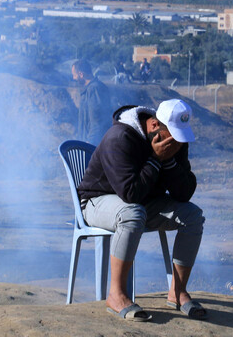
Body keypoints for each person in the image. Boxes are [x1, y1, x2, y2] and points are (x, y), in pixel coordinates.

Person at [77, 99, 206, 322]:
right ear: (155, 125)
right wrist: (156, 160)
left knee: (193, 216)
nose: (177, 143)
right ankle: (116, 295)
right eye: (173, 136)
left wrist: (169, 163)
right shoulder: (119, 138)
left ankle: (177, 292)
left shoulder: (176, 141)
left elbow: (184, 193)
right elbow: (130, 193)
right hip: (97, 201)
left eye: (180, 138)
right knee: (132, 213)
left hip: (142, 201)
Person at [72, 59, 112, 146]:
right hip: (90, 141)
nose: (73, 78)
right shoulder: (91, 89)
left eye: (74, 75)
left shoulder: (94, 89)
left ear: (81, 74)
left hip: (94, 144)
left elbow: (97, 120)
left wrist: (90, 142)